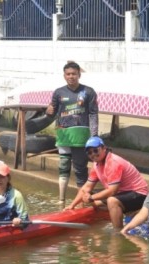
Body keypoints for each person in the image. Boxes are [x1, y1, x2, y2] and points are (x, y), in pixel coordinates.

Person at [65, 136, 149, 229]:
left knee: (111, 201)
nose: (93, 154)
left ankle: (118, 232)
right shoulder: (96, 165)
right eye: (89, 152)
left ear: (104, 148)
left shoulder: (113, 162)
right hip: (122, 193)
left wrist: (91, 197)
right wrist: (72, 205)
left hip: (139, 194)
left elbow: (112, 191)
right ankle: (117, 216)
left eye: (95, 150)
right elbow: (86, 187)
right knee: (90, 201)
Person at [45, 61, 99, 207]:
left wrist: (94, 135)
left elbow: (93, 114)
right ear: (64, 76)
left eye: (74, 74)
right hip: (63, 135)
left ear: (79, 75)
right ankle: (61, 200)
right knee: (63, 166)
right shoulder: (58, 92)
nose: (71, 77)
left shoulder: (89, 92)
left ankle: (82, 202)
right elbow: (52, 113)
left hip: (81, 135)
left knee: (80, 168)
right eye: (68, 74)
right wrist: (48, 112)